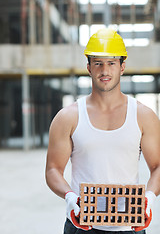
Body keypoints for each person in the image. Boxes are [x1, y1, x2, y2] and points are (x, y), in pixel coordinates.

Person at [45, 28, 160, 234]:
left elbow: (158, 166)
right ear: (88, 67)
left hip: (129, 226)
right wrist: (70, 196)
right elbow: (53, 169)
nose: (104, 71)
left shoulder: (144, 116)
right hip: (82, 225)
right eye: (98, 63)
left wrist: (149, 198)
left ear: (122, 67)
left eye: (111, 63)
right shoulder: (68, 117)